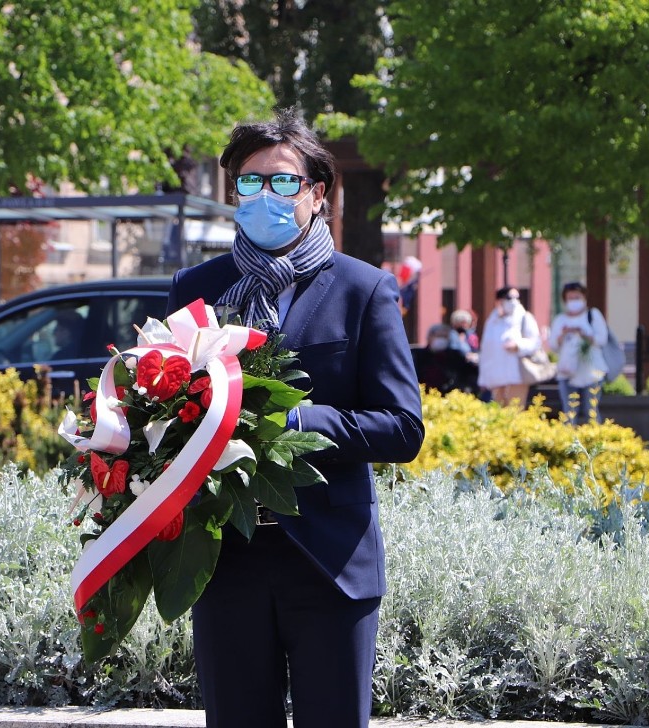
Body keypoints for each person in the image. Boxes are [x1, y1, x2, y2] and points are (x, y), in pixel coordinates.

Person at [167, 109, 425, 728]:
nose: (264, 196)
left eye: (281, 182)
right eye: (249, 184)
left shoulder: (363, 290)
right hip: (227, 560)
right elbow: (170, 409)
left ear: (315, 193)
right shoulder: (196, 288)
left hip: (330, 565)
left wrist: (298, 423)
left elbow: (403, 426)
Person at [549, 281, 608, 425]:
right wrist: (563, 335)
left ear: (584, 298)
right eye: (570, 298)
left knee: (591, 411)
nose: (574, 301)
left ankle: (595, 444)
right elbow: (553, 346)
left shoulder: (593, 315)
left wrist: (584, 334)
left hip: (592, 372)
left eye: (577, 297)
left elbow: (602, 340)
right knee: (569, 413)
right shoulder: (560, 320)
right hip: (568, 373)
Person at [477, 286, 542, 407]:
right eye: (510, 297)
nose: (514, 301)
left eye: (517, 297)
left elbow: (535, 342)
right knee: (499, 413)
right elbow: (486, 351)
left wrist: (518, 345)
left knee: (514, 410)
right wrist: (483, 379)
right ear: (499, 300)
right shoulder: (492, 321)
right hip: (496, 378)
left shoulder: (525, 317)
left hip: (517, 375)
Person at [413, 323, 479, 394]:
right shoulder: (418, 356)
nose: (442, 339)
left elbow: (467, 372)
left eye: (445, 337)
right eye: (439, 336)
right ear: (429, 337)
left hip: (448, 396)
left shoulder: (455, 356)